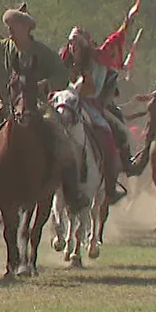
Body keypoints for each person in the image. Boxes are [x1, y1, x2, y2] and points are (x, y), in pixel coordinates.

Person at [0, 4, 87, 221]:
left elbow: (62, 75)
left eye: (13, 25)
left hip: (37, 107)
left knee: (62, 140)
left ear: (26, 27)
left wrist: (44, 85)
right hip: (5, 107)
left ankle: (73, 194)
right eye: (8, 25)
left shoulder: (42, 52)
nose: (9, 29)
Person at [61, 19, 137, 204]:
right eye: (71, 42)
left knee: (110, 135)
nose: (73, 47)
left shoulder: (98, 61)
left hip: (92, 106)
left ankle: (111, 184)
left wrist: (129, 20)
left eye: (76, 43)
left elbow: (115, 40)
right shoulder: (65, 62)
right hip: (65, 103)